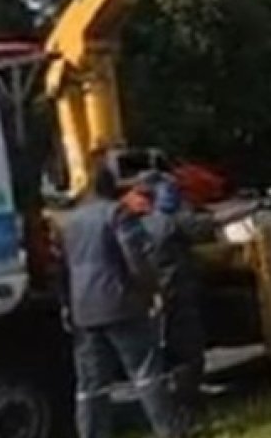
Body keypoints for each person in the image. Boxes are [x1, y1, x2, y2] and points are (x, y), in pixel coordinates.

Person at [57, 162, 185, 438]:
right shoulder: (118, 214)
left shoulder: (69, 222)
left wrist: (67, 305)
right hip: (121, 304)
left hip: (84, 311)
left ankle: (92, 433)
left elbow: (62, 269)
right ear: (112, 187)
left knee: (91, 384)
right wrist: (151, 291)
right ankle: (169, 431)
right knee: (146, 372)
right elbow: (136, 259)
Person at [134, 172, 216, 427]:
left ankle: (176, 408)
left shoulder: (136, 224)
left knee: (164, 355)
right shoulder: (168, 222)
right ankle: (187, 412)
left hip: (155, 298)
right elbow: (201, 227)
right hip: (177, 294)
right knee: (189, 354)